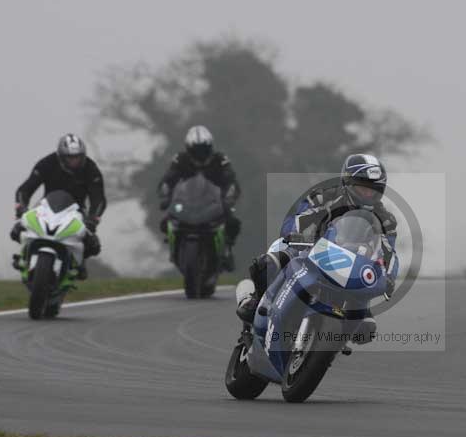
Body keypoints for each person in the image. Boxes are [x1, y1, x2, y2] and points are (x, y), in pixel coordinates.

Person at [236, 153, 398, 343]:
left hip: (352, 270)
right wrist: (295, 234)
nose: (368, 194)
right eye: (362, 188)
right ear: (347, 182)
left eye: (374, 190)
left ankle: (329, 348)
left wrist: (388, 276)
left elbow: (389, 252)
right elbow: (298, 218)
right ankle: (255, 300)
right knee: (271, 261)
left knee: (366, 328)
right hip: (311, 250)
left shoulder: (386, 220)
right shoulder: (324, 197)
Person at [11, 133, 105, 280]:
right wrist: (21, 208)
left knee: (93, 245)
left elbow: (98, 198)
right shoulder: (47, 163)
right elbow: (25, 189)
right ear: (61, 156)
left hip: (76, 211)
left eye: (77, 157)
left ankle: (78, 265)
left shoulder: (91, 168)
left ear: (83, 155)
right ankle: (23, 257)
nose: (74, 161)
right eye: (69, 157)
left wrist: (93, 219)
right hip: (45, 207)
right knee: (17, 229)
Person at [158, 125, 241, 270]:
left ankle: (227, 249)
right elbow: (168, 179)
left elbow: (231, 180)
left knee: (233, 223)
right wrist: (166, 196)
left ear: (210, 147)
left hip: (214, 202)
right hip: (187, 202)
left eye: (203, 149)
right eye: (196, 150)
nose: (200, 154)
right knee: (165, 223)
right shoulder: (180, 160)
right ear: (188, 149)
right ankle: (175, 249)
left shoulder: (220, 160)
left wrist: (229, 198)